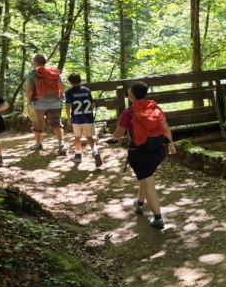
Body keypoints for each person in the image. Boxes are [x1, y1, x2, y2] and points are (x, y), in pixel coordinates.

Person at [110, 81, 175, 229]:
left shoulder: (128, 113)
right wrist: (171, 143)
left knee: (148, 182)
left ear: (132, 95)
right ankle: (139, 203)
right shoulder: (155, 108)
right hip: (159, 150)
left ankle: (158, 218)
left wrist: (112, 139)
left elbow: (118, 134)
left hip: (140, 153)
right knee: (146, 176)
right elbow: (165, 127)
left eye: (129, 92)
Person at [25, 54, 66, 154]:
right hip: (55, 103)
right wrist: (60, 96)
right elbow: (62, 87)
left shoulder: (32, 73)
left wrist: (28, 101)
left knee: (37, 124)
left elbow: (29, 90)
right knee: (56, 124)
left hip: (39, 104)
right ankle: (61, 144)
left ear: (35, 62)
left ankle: (38, 144)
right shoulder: (53, 71)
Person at [64, 73, 103, 167]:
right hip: (88, 117)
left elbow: (68, 105)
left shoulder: (69, 92)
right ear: (80, 80)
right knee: (90, 137)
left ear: (70, 82)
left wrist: (69, 118)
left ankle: (78, 155)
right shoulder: (87, 90)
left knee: (77, 137)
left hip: (77, 118)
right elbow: (92, 104)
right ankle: (95, 151)